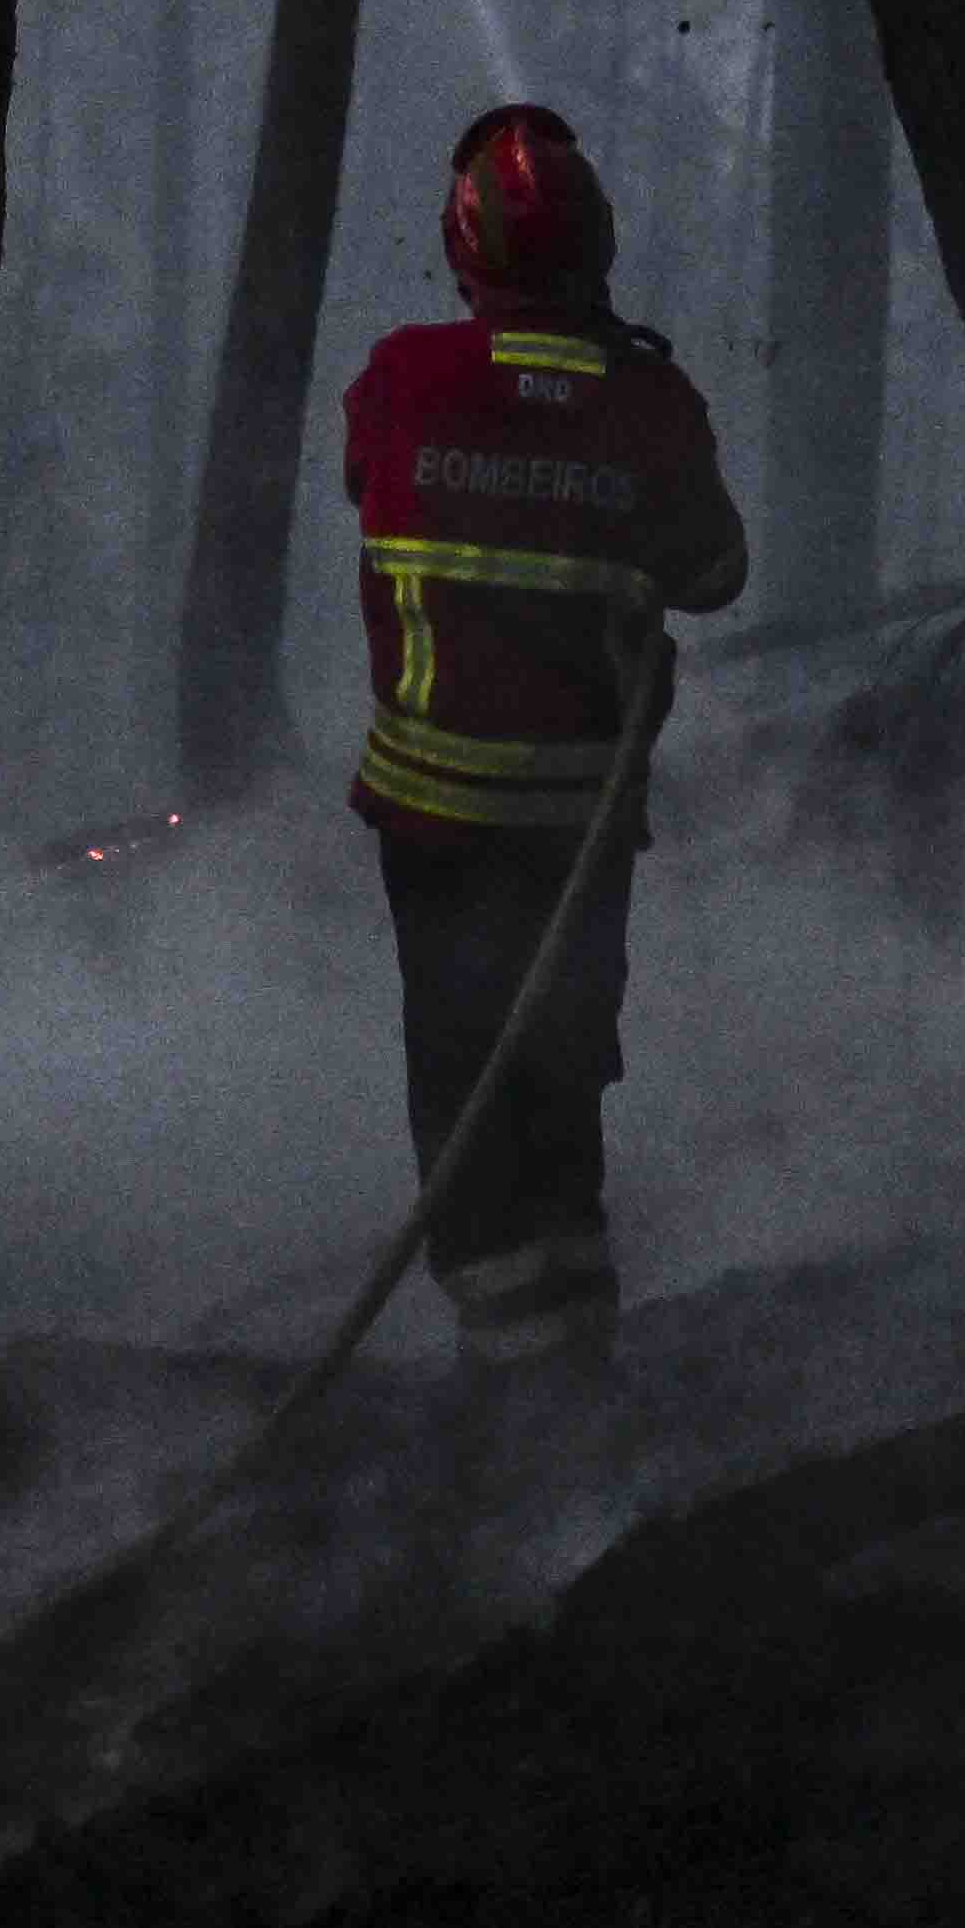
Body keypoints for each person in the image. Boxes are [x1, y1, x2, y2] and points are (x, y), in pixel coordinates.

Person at [336, 99, 749, 1339]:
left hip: (434, 815)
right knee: (563, 1065)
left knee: (463, 1072)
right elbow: (718, 572)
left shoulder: (404, 375)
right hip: (576, 818)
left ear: (463, 249)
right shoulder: (653, 400)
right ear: (599, 250)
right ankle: (561, 1337)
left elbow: (368, 475)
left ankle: (511, 1343)